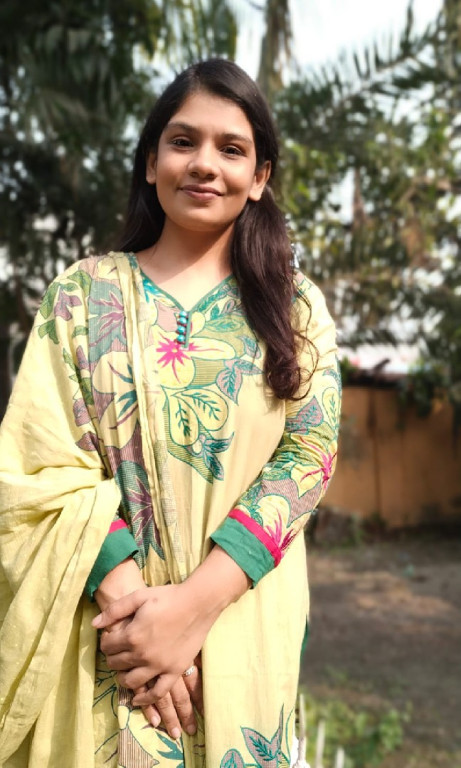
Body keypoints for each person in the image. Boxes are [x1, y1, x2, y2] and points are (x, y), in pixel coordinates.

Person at [0, 58, 341, 768]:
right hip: (109, 637)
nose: (204, 164)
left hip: (240, 620)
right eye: (183, 142)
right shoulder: (81, 296)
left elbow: (308, 455)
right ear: (151, 162)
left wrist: (191, 609)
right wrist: (142, 623)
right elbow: (40, 463)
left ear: (259, 177)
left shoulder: (292, 305)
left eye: (231, 148)